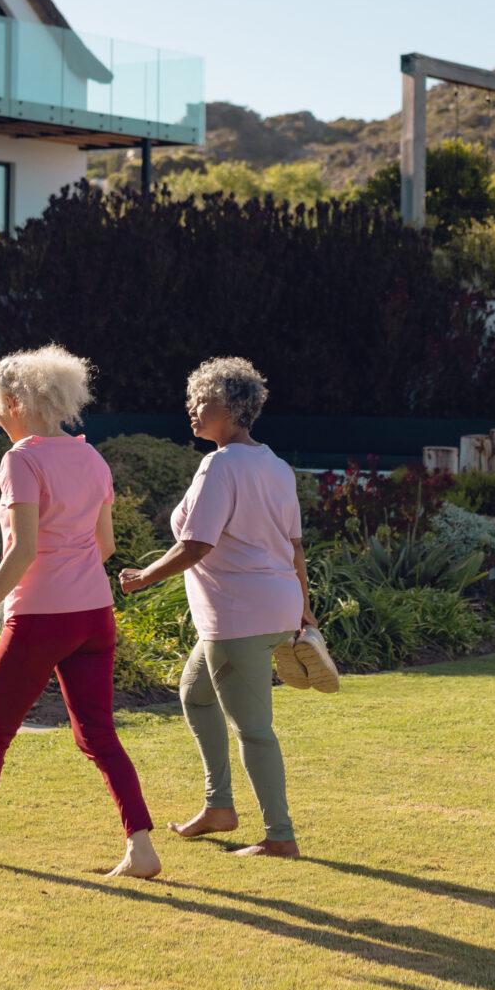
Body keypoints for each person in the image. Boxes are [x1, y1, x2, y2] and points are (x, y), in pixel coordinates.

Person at [0, 344, 159, 879]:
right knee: (98, 734)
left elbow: (22, 551)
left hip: (40, 618)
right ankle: (141, 848)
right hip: (94, 614)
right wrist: (72, 574)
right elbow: (105, 544)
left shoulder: (20, 460)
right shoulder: (92, 458)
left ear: (16, 402)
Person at [118, 357, 321, 859]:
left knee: (253, 729)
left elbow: (196, 545)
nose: (191, 408)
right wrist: (304, 608)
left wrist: (143, 577)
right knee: (195, 693)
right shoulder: (276, 466)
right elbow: (294, 547)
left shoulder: (221, 465)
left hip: (239, 614)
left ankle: (280, 837)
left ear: (231, 406)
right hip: (270, 607)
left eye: (201, 400)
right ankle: (219, 807)